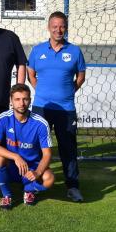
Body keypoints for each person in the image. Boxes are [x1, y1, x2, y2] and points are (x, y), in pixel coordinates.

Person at [27, 11, 86, 202]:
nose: (58, 30)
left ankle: (73, 187)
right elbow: (31, 75)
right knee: (35, 148)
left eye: (62, 26)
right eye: (55, 26)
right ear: (49, 27)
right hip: (41, 108)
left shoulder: (75, 51)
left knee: (68, 148)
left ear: (66, 28)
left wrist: (68, 93)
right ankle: (32, 185)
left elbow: (81, 77)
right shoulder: (37, 50)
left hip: (66, 109)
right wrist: (41, 92)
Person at [0, 84, 55, 210]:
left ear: (30, 100)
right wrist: (15, 156)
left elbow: (47, 154)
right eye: (17, 99)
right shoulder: (2, 119)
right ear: (11, 101)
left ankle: (28, 190)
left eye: (25, 99)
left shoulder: (41, 123)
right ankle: (6, 195)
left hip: (32, 167)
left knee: (49, 179)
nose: (22, 103)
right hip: (12, 165)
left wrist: (38, 172)